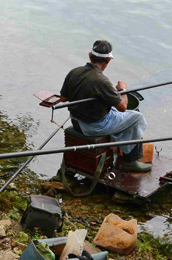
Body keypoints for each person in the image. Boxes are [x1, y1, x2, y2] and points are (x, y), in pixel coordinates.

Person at [60, 40, 152, 172]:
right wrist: (122, 90)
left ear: (90, 55)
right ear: (108, 60)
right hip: (93, 127)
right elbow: (123, 107)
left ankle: (122, 145)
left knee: (116, 111)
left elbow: (63, 98)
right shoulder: (102, 81)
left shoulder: (74, 72)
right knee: (137, 117)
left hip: (76, 121)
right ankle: (130, 161)